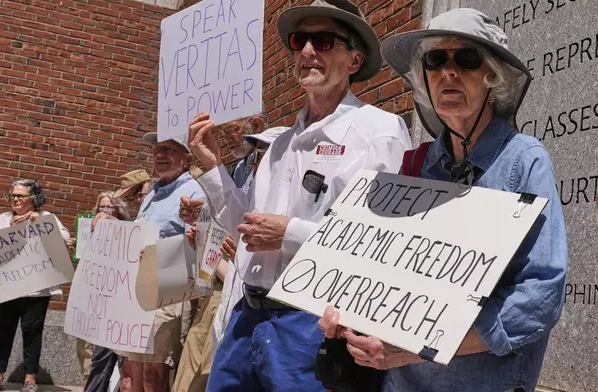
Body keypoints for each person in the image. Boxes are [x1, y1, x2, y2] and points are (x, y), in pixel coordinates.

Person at [318, 8, 568, 392]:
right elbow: (382, 277)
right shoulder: (414, 167)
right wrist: (348, 315)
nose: (448, 72)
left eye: (466, 59)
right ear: (424, 78)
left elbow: (540, 294)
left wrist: (420, 347)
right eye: (436, 60)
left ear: (492, 78)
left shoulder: (524, 161)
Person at [187, 0, 411, 390]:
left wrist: (288, 233)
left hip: (311, 327)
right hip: (247, 320)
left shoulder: (380, 132)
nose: (307, 51)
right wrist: (211, 169)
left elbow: (381, 243)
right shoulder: (279, 144)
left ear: (354, 62)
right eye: (299, 40)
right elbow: (246, 228)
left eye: (323, 41)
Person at [172, 127, 288, 392]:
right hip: (231, 316)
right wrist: (202, 234)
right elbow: (228, 241)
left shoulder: (286, 215)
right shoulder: (251, 202)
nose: (258, 163)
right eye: (256, 156)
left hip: (269, 325)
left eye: (266, 155)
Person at [93, 133, 204, 392]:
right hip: (136, 293)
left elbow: (201, 240)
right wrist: (116, 227)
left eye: (168, 149)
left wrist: (158, 253)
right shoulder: (153, 192)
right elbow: (143, 235)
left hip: (168, 294)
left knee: (154, 377)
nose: (160, 154)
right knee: (130, 375)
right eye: (156, 150)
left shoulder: (195, 191)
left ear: (187, 159)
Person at [0, 179, 72, 392]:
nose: (15, 199)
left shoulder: (47, 217)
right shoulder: (2, 220)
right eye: (13, 195)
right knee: (4, 331)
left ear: (34, 199)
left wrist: (38, 222)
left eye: (21, 196)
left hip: (37, 289)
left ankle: (30, 380)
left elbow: (65, 238)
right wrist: (7, 233)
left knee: (32, 332)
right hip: (9, 287)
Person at [80, 192, 131, 392]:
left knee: (123, 361)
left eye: (110, 208)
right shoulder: (90, 231)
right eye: (101, 207)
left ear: (119, 211)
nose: (105, 212)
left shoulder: (130, 232)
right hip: (99, 305)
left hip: (124, 305)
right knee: (99, 358)